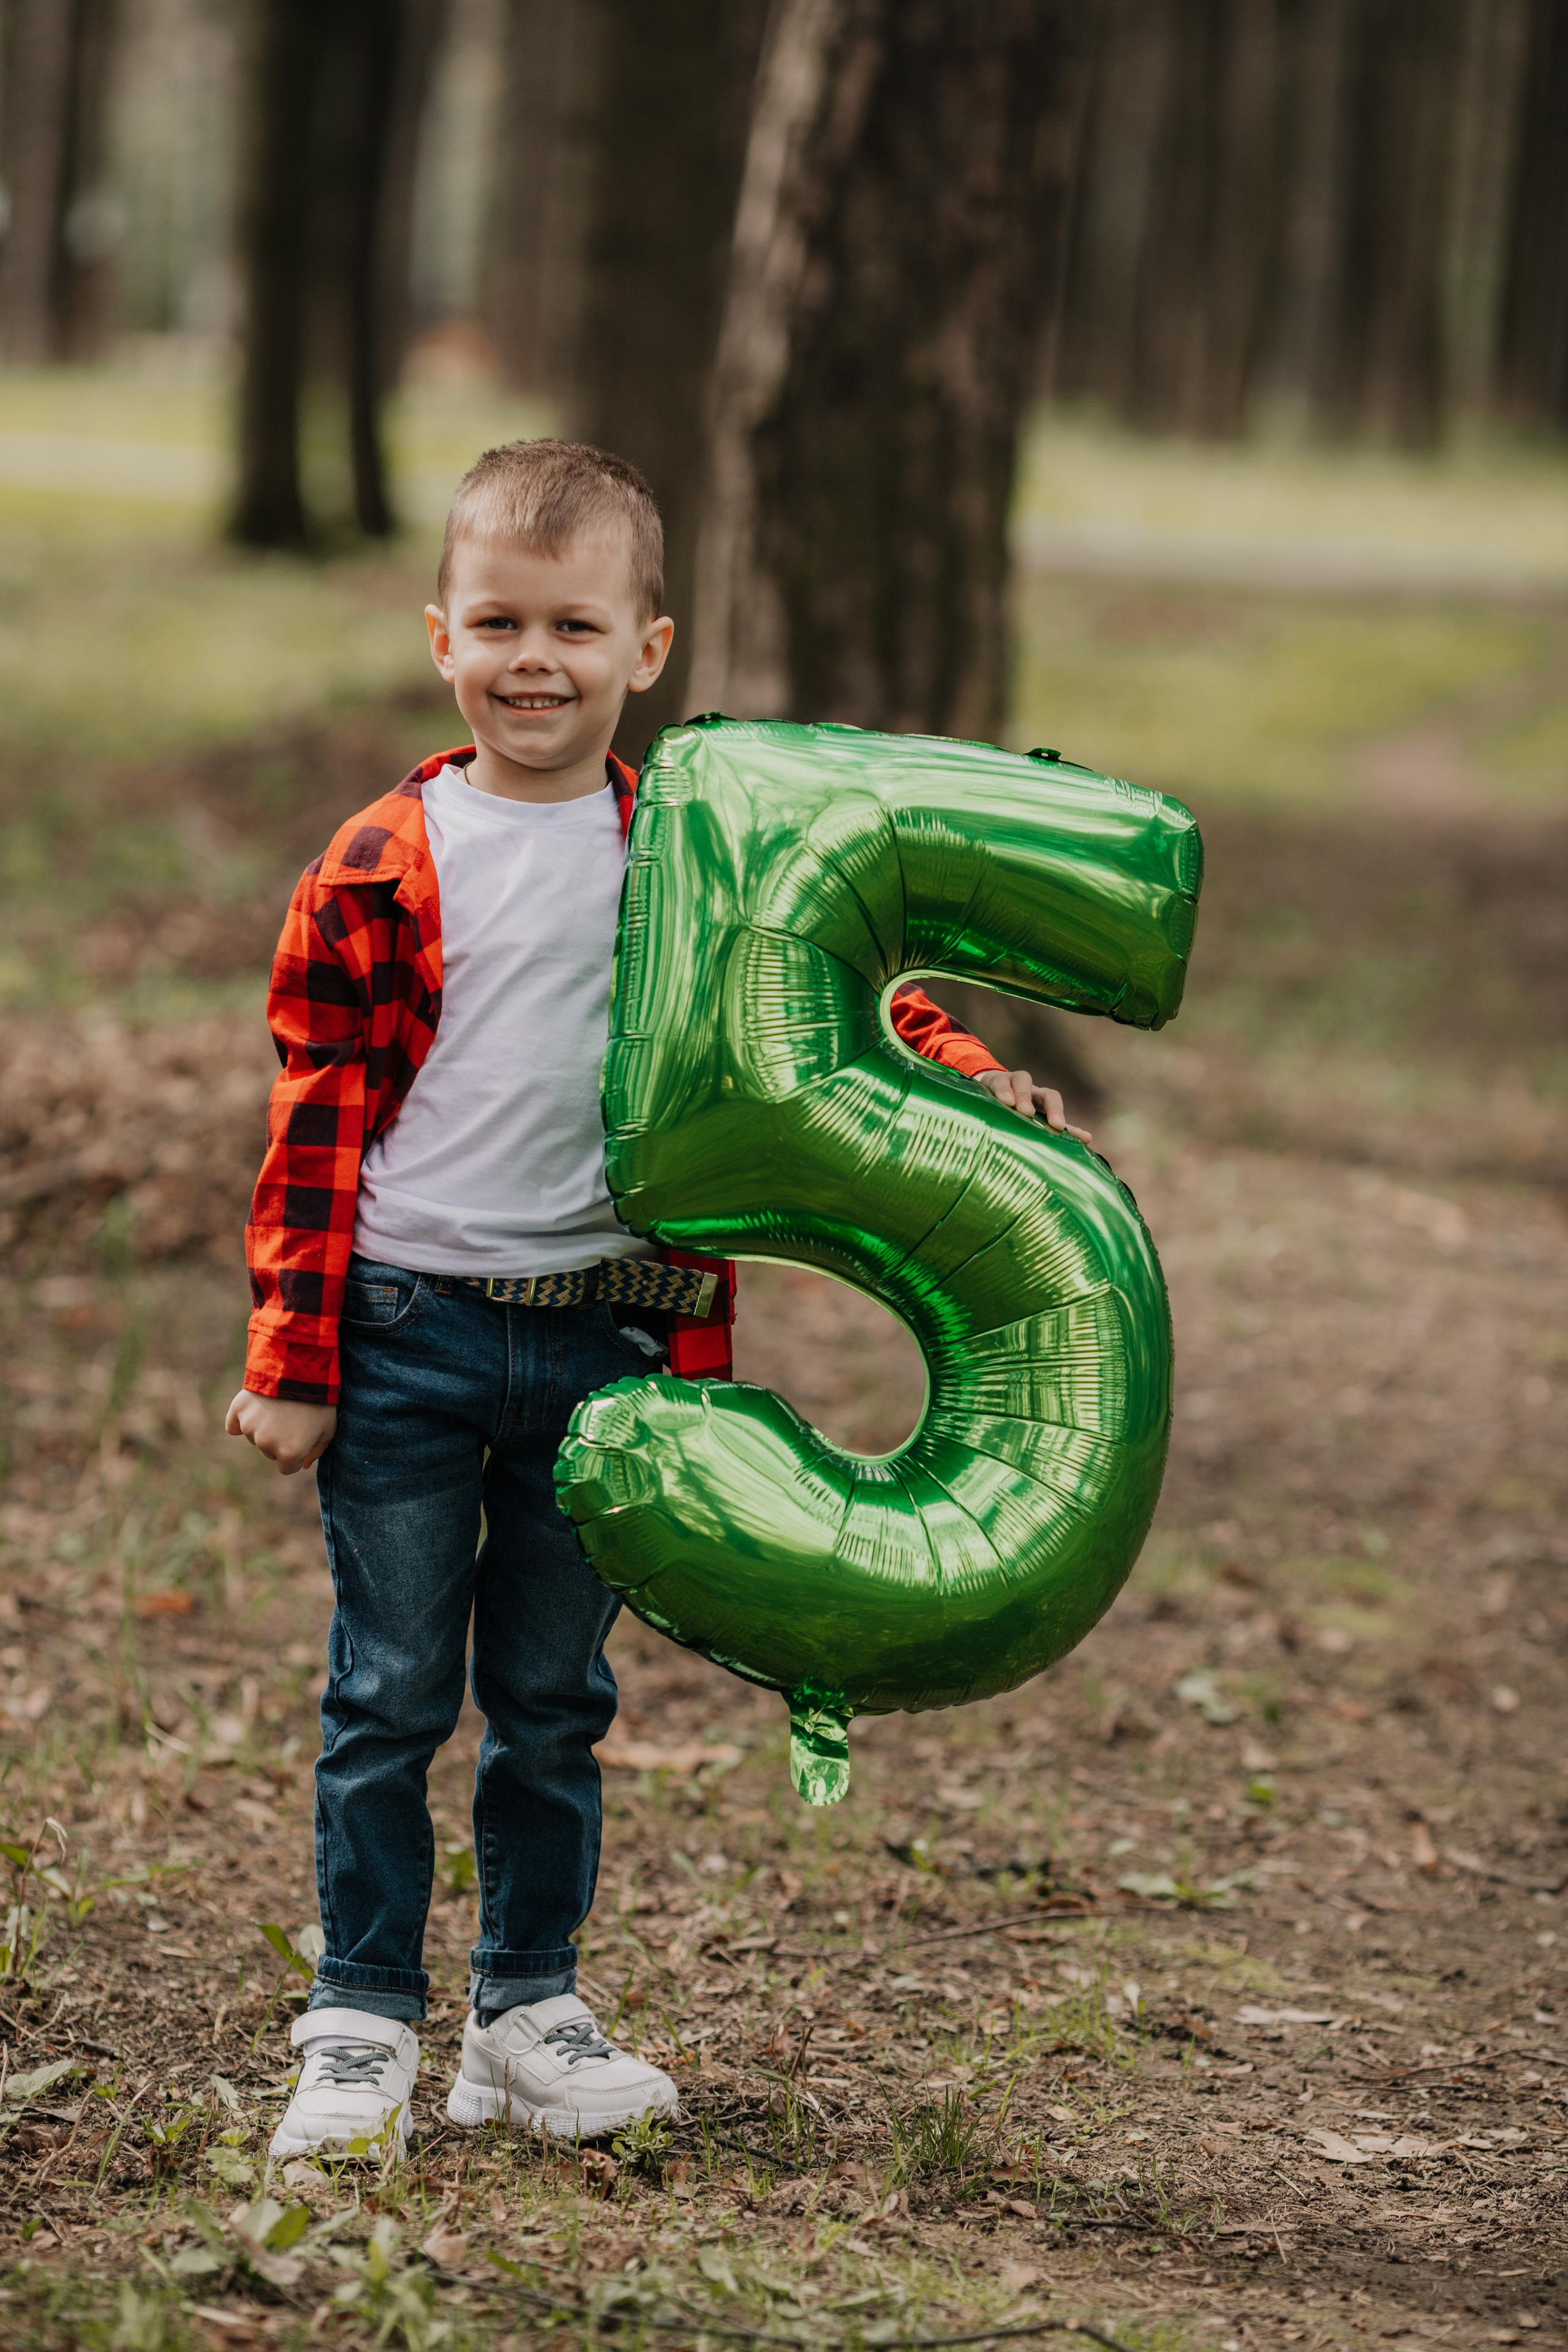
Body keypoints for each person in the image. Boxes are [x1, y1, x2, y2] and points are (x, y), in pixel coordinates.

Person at [226, 439, 1089, 2157]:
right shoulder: (381, 862)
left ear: (651, 647)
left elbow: (825, 1005)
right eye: (496, 623)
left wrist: (964, 1067)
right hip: (405, 1328)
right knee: (387, 1693)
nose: (530, 660)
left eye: (572, 625)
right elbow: (313, 1116)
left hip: (613, 1343)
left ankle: (526, 2010)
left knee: (555, 1701)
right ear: (439, 638)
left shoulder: (691, 850)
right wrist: (294, 1355)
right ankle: (362, 2020)